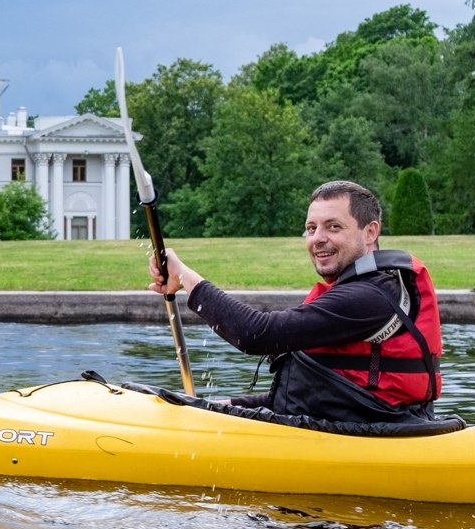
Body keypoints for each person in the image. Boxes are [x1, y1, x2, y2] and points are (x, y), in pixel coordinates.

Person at [149, 180, 444, 424]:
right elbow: (315, 395)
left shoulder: (369, 297)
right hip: (357, 423)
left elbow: (255, 334)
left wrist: (185, 277)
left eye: (333, 227)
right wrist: (219, 405)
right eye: (311, 228)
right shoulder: (366, 289)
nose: (318, 238)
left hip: (374, 435)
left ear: (370, 232)